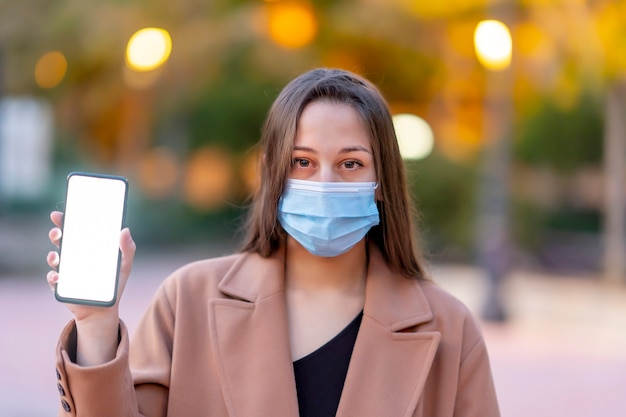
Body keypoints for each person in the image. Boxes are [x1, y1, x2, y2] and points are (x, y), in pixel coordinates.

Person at [46, 68, 500, 417]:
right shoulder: (186, 301)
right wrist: (97, 325)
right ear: (273, 172)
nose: (323, 181)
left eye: (350, 164)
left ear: (381, 180)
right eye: (302, 161)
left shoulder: (449, 329)